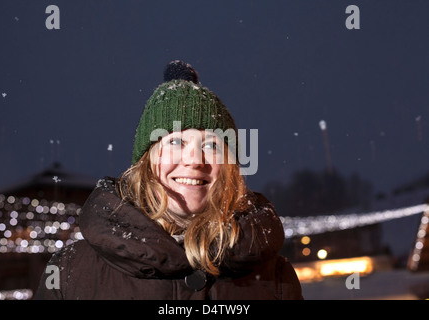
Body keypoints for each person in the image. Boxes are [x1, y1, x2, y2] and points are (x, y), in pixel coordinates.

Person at [34, 60, 303, 300]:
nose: (195, 160)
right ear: (147, 160)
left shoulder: (275, 278)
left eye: (211, 145)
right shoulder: (69, 273)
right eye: (176, 141)